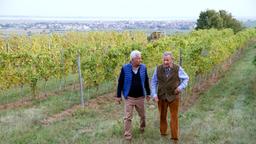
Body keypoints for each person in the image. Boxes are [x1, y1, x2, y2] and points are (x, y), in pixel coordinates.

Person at [151, 51, 189, 142]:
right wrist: (154, 94)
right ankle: (163, 132)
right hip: (161, 96)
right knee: (162, 116)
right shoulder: (158, 69)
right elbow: (153, 82)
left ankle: (175, 137)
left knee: (174, 117)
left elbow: (186, 78)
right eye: (164, 60)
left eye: (167, 60)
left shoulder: (177, 68)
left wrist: (180, 87)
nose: (165, 62)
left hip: (173, 96)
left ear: (172, 60)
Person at [116, 50, 151, 142]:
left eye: (140, 58)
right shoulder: (125, 68)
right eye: (138, 58)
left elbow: (146, 81)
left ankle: (142, 128)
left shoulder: (143, 68)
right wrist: (118, 95)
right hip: (129, 97)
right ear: (132, 59)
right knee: (128, 117)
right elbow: (120, 82)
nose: (140, 60)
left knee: (142, 116)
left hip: (140, 97)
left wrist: (148, 93)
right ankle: (128, 135)